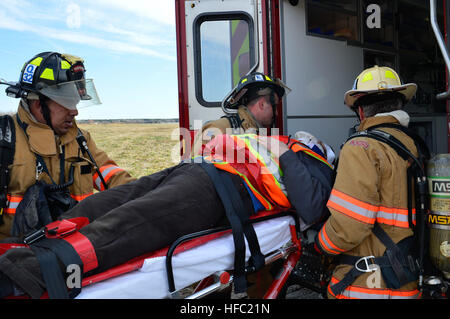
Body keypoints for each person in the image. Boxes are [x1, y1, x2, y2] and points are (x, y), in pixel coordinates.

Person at [0, 130, 335, 299]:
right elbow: (308, 205)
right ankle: (27, 260)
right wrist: (286, 152)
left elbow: (309, 205)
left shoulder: (288, 150)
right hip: (206, 180)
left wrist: (285, 151)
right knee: (116, 216)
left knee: (120, 214)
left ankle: (26, 261)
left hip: (204, 181)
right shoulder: (298, 151)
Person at [315, 65, 425, 299]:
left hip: (366, 285)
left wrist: (320, 244)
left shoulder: (360, 147)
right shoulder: (413, 146)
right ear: (399, 105)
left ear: (361, 112)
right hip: (406, 280)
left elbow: (350, 227)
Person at [0, 52, 135, 240]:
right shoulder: (5, 139)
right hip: (14, 258)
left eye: (76, 102)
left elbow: (110, 176)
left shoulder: (80, 139)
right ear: (39, 105)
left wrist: (145, 194)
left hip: (74, 249)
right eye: (67, 102)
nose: (75, 110)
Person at [192, 72, 288, 156]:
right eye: (274, 106)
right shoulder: (219, 129)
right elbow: (195, 171)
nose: (277, 113)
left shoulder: (256, 132)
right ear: (262, 104)